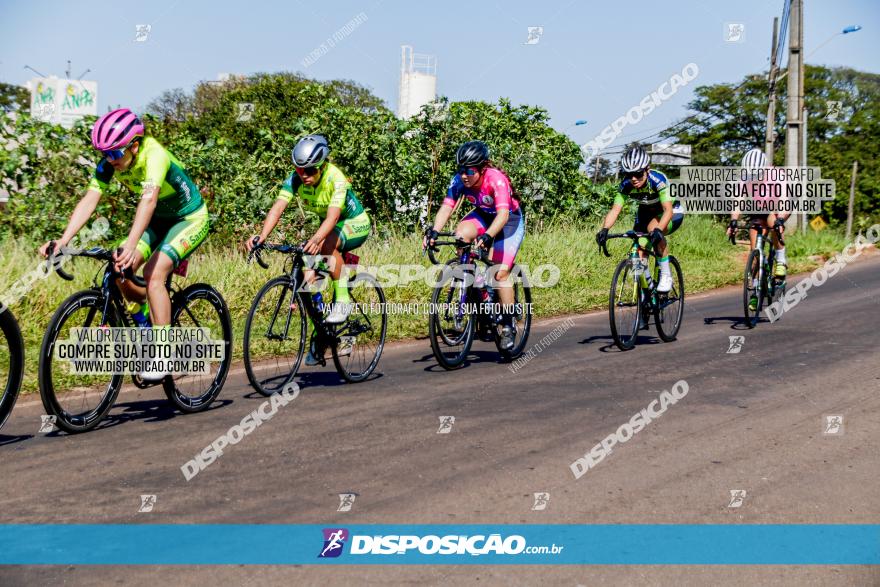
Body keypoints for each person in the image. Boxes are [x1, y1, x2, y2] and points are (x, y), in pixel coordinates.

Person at [40, 108, 210, 381]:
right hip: (157, 220)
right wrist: (64, 240)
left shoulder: (153, 154)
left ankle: (165, 354)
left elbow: (148, 200)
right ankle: (145, 330)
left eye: (116, 153)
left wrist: (132, 244)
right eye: (105, 154)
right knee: (119, 267)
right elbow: (90, 199)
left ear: (134, 145)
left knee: (154, 273)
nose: (111, 160)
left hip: (189, 218)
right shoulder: (110, 163)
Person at [245, 134, 371, 365]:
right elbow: (277, 208)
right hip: (330, 225)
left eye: (310, 170)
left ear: (323, 166)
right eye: (299, 170)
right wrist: (261, 237)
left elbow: (333, 218)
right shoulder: (296, 179)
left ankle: (343, 300)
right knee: (306, 275)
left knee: (325, 244)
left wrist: (316, 239)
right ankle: (320, 334)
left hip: (355, 223)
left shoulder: (336, 178)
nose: (304, 175)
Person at [424, 141, 525, 351]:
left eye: (469, 170)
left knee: (499, 273)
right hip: (483, 215)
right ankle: (477, 285)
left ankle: (508, 325)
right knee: (461, 235)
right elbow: (446, 207)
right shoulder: (459, 181)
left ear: (481, 168)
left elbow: (503, 215)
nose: (464, 175)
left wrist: (488, 236)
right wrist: (434, 231)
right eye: (461, 170)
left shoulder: (496, 179)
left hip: (508, 221)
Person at [596, 145, 683, 293]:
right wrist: (605, 229)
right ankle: (647, 292)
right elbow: (615, 210)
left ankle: (666, 275)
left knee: (652, 229)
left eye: (637, 174)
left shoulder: (657, 180)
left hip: (671, 212)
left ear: (647, 170)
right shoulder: (626, 185)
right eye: (629, 175)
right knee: (638, 253)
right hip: (646, 213)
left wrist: (658, 230)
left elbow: (668, 210)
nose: (634, 179)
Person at [725, 148, 789, 311]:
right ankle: (755, 291)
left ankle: (781, 259)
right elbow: (738, 199)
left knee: (774, 223)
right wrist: (733, 221)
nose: (754, 178)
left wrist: (780, 219)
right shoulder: (745, 177)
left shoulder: (776, 175)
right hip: (759, 207)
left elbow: (784, 199)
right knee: (755, 252)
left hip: (779, 205)